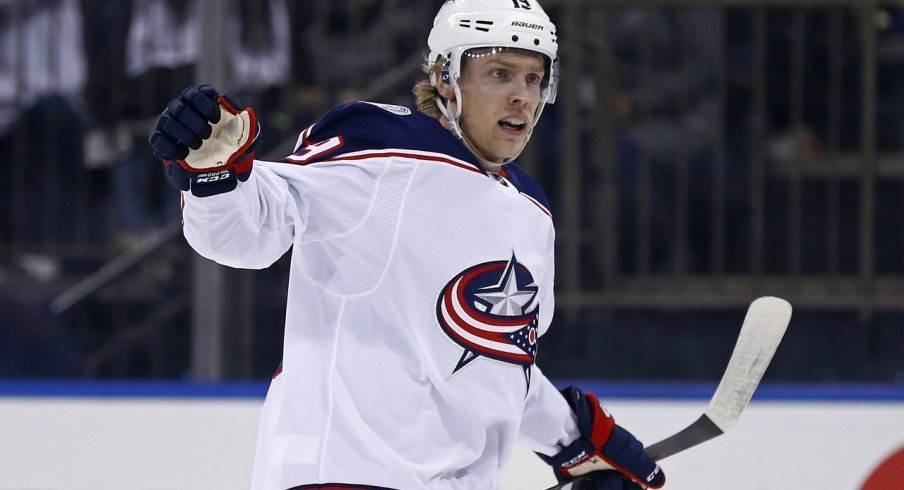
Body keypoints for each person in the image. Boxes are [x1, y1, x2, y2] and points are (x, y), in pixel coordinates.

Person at [148, 1, 666, 489]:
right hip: (345, 474)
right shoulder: (380, 147)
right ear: (445, 77)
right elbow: (248, 235)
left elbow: (494, 365)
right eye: (500, 73)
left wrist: (576, 440)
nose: (522, 96)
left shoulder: (531, 211)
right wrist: (214, 174)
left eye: (534, 78)